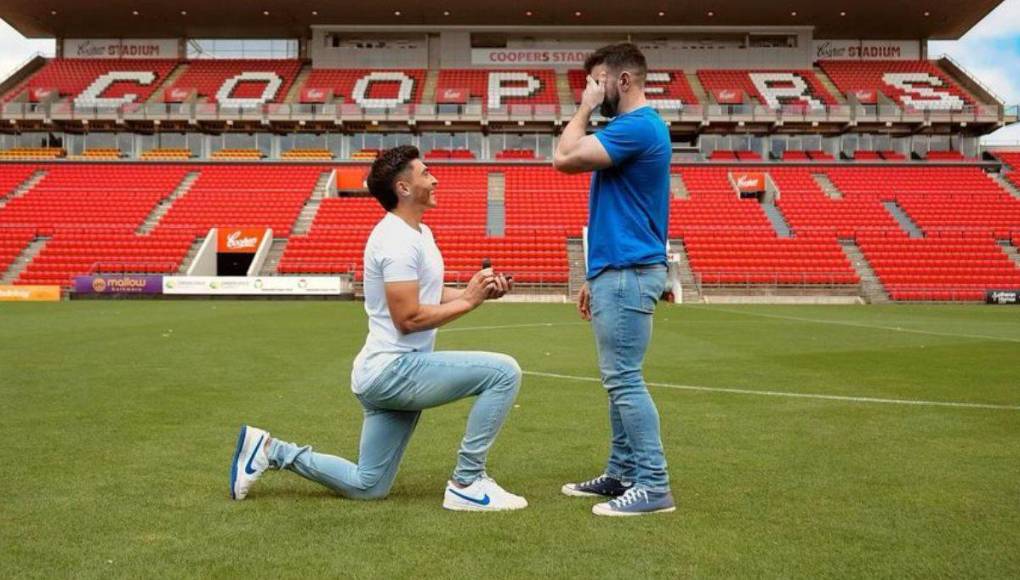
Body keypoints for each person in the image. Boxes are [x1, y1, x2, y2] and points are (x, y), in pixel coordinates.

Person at [230, 145, 527, 512]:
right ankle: (468, 482)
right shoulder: (396, 240)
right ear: (403, 188)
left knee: (367, 485)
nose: (434, 178)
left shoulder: (419, 233)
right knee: (503, 372)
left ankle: (271, 450)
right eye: (425, 173)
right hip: (393, 371)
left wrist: (476, 292)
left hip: (385, 374)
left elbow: (429, 294)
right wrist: (468, 302)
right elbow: (409, 319)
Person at [553, 43, 675, 516]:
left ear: (623, 81)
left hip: (628, 270)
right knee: (618, 378)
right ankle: (623, 472)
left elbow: (562, 158)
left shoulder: (636, 127)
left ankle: (653, 484)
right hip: (616, 268)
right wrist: (593, 273)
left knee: (623, 379)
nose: (591, 90)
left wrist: (583, 108)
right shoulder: (634, 128)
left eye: (597, 81)